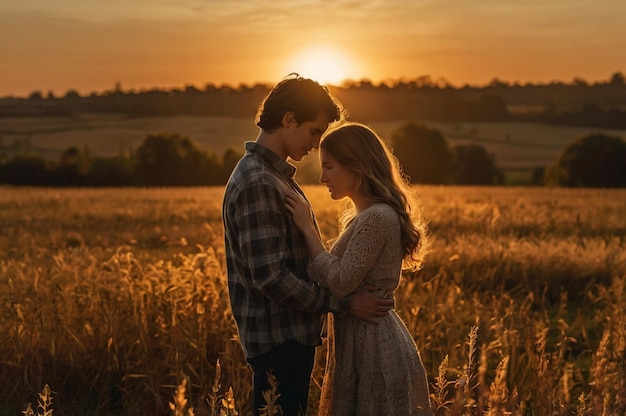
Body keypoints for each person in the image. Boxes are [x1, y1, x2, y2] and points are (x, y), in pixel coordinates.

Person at [221, 74, 394, 416]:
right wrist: (342, 304)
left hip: (287, 337)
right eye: (314, 131)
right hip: (279, 341)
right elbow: (270, 277)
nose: (316, 144)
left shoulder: (272, 178)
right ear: (288, 119)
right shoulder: (259, 182)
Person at [285, 122, 432, 415]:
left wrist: (307, 229)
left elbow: (339, 281)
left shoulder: (376, 218)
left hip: (375, 347)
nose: (323, 177)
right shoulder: (366, 217)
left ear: (357, 166)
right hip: (365, 339)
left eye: (330, 167)